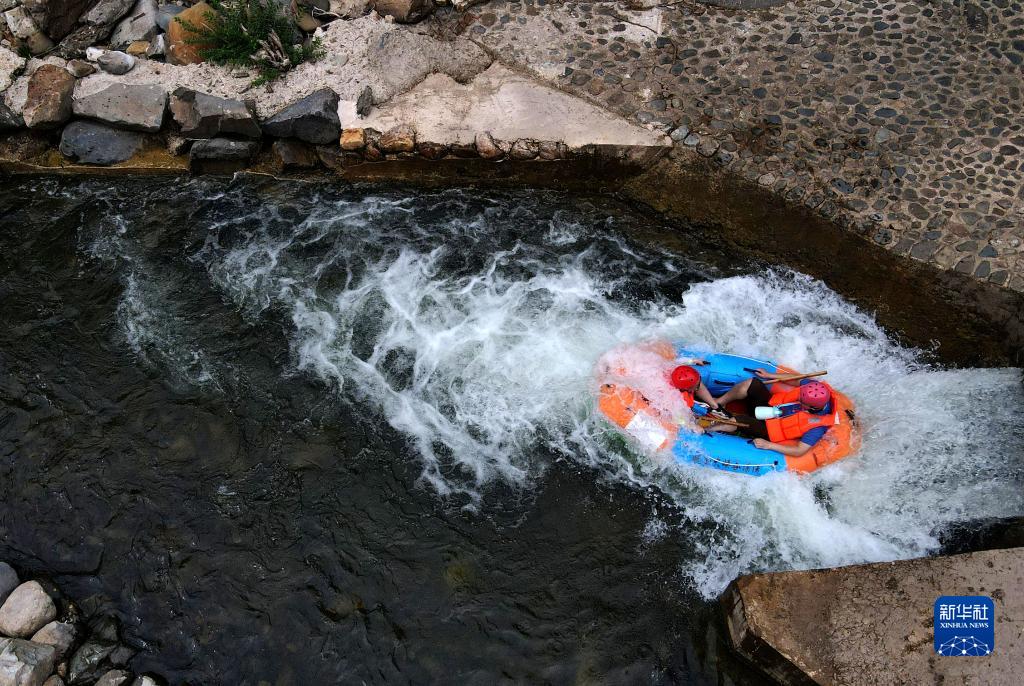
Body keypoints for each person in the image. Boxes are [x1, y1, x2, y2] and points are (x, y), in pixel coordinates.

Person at [711, 369, 839, 457]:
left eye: (801, 400)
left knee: (739, 421)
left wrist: (769, 445)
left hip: (770, 429)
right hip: (772, 408)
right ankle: (717, 403)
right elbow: (797, 380)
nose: (798, 398)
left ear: (812, 406)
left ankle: (706, 429)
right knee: (752, 384)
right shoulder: (813, 387)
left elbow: (800, 450)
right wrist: (770, 375)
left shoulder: (817, 427)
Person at [667, 361, 721, 433]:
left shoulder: (673, 371)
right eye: (696, 386)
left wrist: (692, 360)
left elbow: (679, 360)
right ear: (686, 389)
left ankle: (713, 405)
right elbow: (680, 420)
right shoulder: (678, 402)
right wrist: (693, 427)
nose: (697, 388)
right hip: (676, 409)